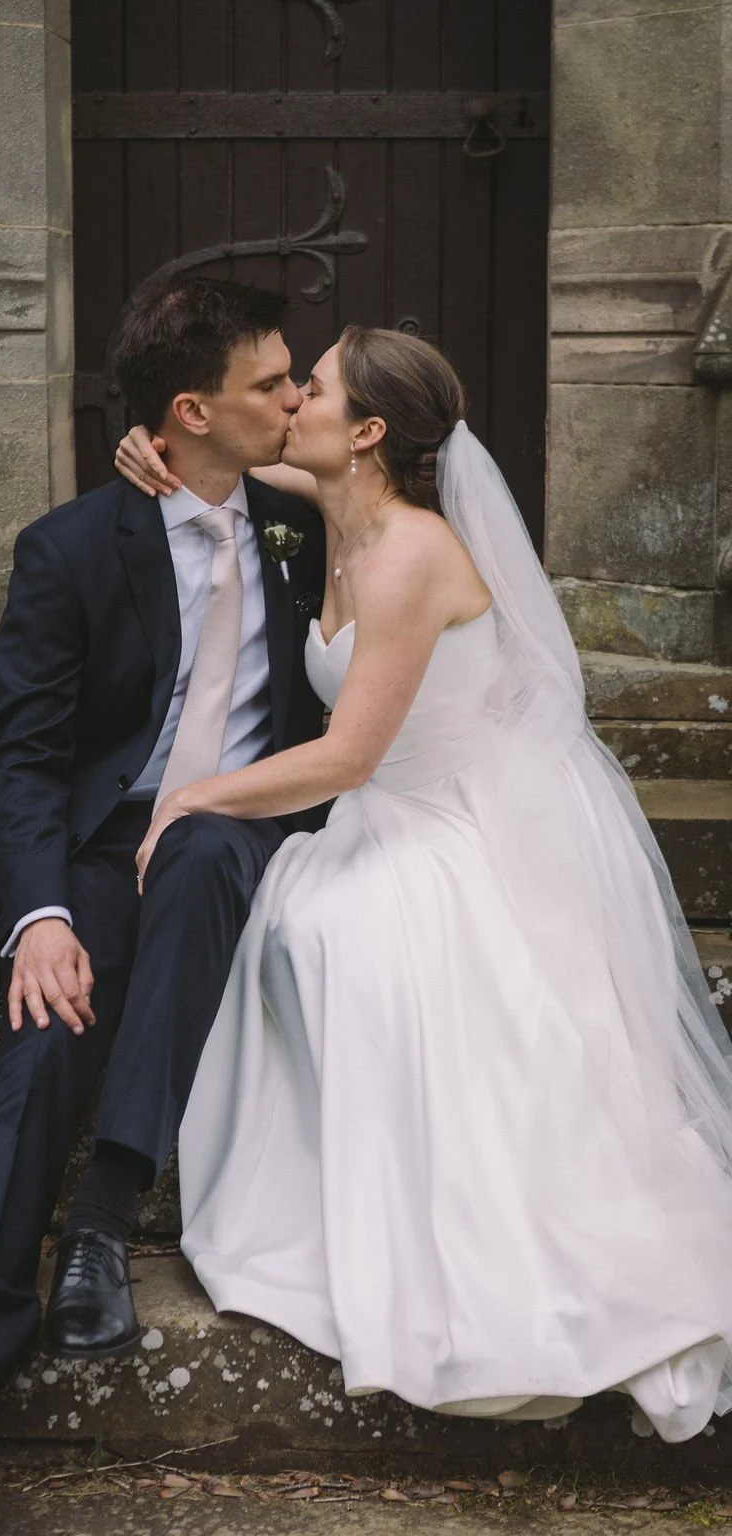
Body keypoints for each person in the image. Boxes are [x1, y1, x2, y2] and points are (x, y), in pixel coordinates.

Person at [115, 324, 732, 1441]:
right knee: (300, 918)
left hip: (440, 825)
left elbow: (349, 757)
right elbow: (231, 460)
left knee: (338, 936)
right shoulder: (335, 505)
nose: (288, 401)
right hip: (379, 818)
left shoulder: (408, 555)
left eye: (311, 389)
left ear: (365, 433)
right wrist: (150, 444)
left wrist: (190, 797)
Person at [0, 276, 328, 1526]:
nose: (297, 396)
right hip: (104, 853)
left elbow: (431, 483)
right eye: (271, 382)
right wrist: (41, 918)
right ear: (190, 411)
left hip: (248, 839)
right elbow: (24, 757)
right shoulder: (72, 547)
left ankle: (103, 1215)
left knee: (201, 847)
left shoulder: (312, 523)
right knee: (35, 1049)